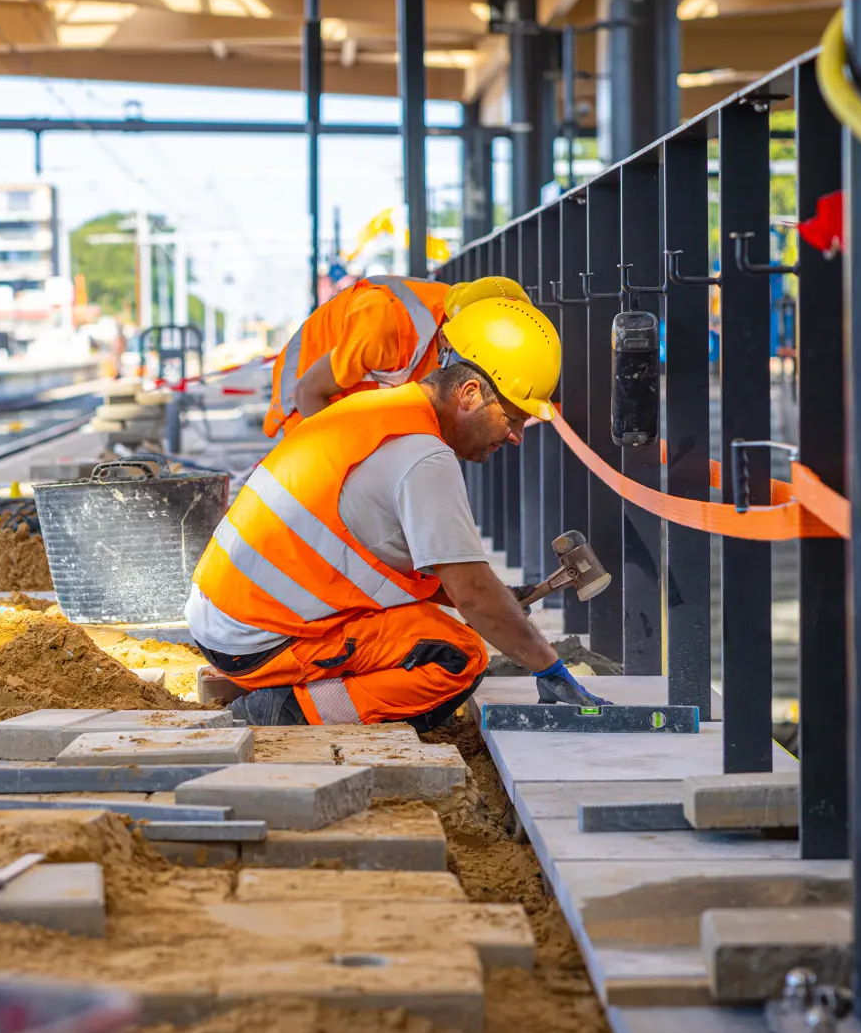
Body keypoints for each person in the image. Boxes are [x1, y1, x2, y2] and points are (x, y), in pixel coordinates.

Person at [191, 295, 610, 729]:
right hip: (256, 640)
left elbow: (434, 576)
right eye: (513, 418)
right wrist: (548, 665)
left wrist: (496, 596)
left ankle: (293, 690)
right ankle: (289, 712)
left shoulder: (381, 411)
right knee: (457, 657)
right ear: (469, 395)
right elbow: (472, 595)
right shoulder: (424, 456)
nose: (517, 436)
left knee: (432, 622)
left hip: (227, 617)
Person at [262, 275, 528, 439]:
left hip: (359, 402)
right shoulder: (387, 326)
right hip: (308, 405)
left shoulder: (465, 315)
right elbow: (308, 392)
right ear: (447, 338)